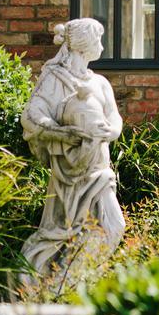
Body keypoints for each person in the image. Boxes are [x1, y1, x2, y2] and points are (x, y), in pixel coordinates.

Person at [20, 18, 124, 286]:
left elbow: (114, 118)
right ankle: (53, 285)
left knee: (113, 227)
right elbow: (32, 115)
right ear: (83, 45)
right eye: (98, 39)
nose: (101, 45)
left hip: (99, 169)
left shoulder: (100, 83)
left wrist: (109, 132)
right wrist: (61, 132)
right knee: (62, 233)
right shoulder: (55, 79)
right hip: (68, 171)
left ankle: (68, 283)